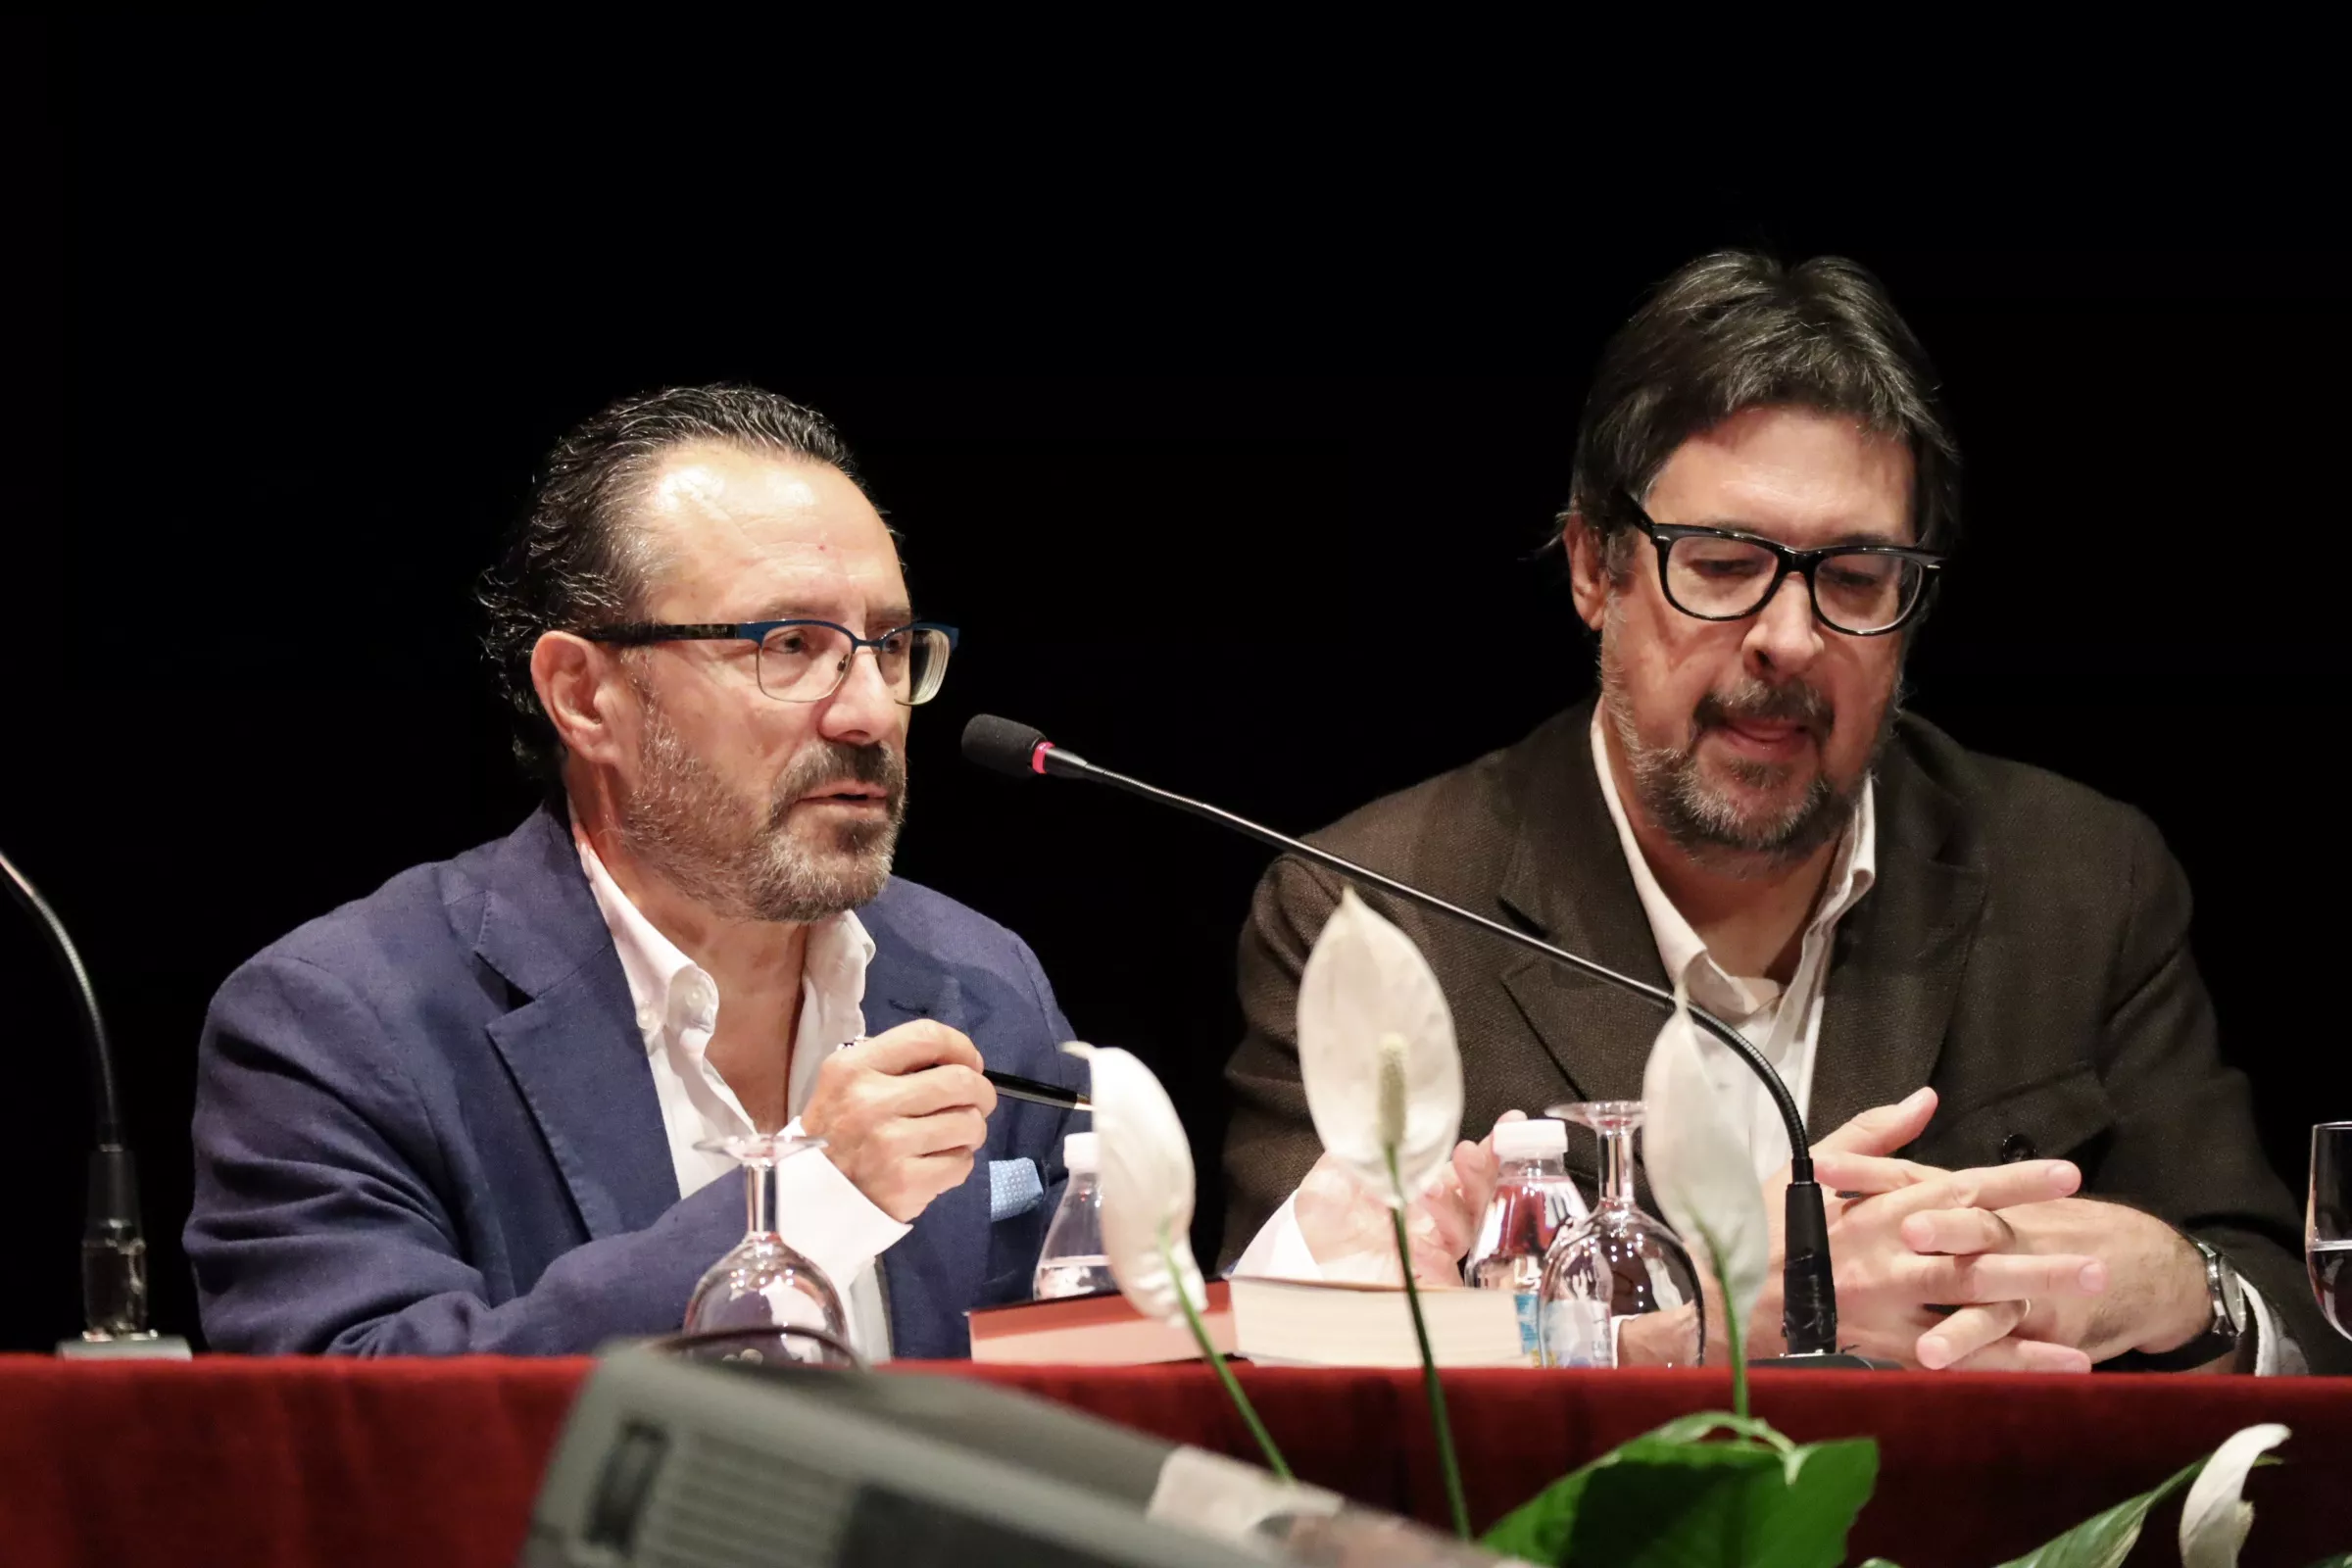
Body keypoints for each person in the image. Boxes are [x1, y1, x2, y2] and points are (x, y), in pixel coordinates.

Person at [1223, 252, 2340, 1374]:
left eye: (1855, 578)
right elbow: (1286, 1375)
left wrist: (2182, 1289)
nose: (1791, 638)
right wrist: (1696, 1328)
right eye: (1721, 565)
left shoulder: (2082, 881)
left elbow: (2293, 1319)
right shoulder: (1378, 913)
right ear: (1592, 568)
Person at [186, 384, 1083, 1357]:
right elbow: (351, 1430)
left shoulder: (985, 983)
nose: (868, 710)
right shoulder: (344, 1022)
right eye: (789, 645)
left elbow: (1094, 1374)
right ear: (584, 696)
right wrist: (795, 1218)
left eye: (892, 646)